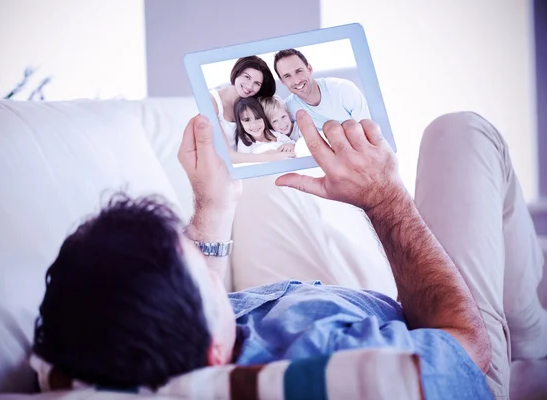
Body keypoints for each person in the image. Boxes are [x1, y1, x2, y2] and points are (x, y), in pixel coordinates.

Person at [32, 110, 547, 399]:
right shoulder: (329, 371)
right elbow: (465, 350)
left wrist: (213, 207)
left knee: (265, 173)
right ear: (213, 356)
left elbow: (184, 311)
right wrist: (384, 198)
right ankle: (531, 339)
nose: (212, 265)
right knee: (460, 133)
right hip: (447, 328)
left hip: (305, 304)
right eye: (209, 277)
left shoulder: (103, 340)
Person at [209, 56, 294, 163]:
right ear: (237, 72)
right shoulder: (211, 101)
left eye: (257, 83)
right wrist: (270, 156)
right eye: (247, 77)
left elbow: (276, 126)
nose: (249, 86)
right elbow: (225, 155)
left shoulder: (252, 104)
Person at [274, 48, 371, 130]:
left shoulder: (343, 89)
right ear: (282, 81)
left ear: (310, 69)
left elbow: (367, 130)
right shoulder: (287, 109)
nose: (296, 81)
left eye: (299, 71)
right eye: (287, 76)